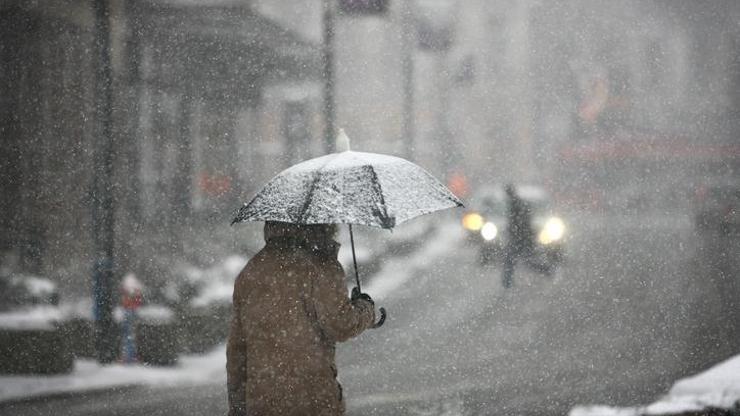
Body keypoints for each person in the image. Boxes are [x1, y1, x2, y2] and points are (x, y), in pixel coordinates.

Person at [226, 221, 376, 416]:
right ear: (323, 223)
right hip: (312, 398)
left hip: (262, 401)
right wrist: (365, 309)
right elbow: (342, 324)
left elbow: (237, 350)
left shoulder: (251, 271)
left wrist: (237, 406)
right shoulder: (322, 266)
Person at [501, 184, 533, 288]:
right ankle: (507, 282)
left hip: (519, 237)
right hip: (521, 237)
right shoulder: (516, 202)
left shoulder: (515, 204)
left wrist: (514, 231)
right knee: (524, 259)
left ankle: (507, 282)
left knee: (511, 259)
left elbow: (518, 221)